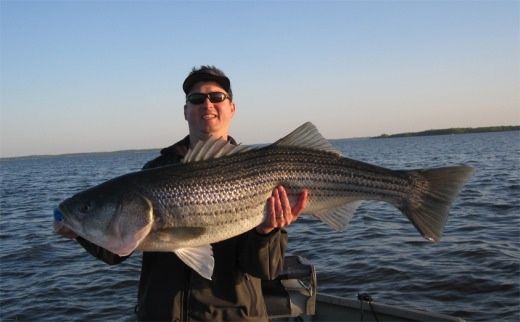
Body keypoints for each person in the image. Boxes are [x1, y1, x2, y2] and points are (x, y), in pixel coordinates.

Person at [56, 65, 309, 321]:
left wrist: (265, 232)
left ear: (232, 108)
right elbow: (118, 250)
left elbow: (266, 270)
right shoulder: (154, 171)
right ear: (185, 111)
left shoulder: (262, 170)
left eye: (217, 97)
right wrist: (82, 232)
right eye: (196, 99)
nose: (207, 104)